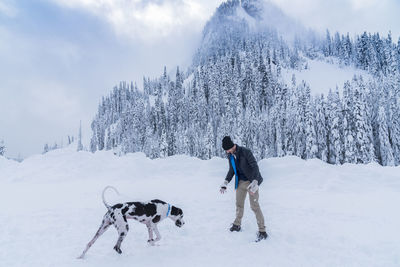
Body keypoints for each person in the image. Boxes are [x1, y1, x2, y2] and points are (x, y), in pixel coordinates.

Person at [220, 136, 268, 242]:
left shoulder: (245, 152)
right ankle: (237, 225)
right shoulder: (230, 156)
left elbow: (255, 166)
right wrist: (225, 182)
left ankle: (262, 231)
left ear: (231, 146)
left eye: (227, 149)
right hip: (241, 182)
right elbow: (231, 170)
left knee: (254, 206)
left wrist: (255, 182)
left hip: (252, 182)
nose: (226, 152)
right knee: (239, 204)